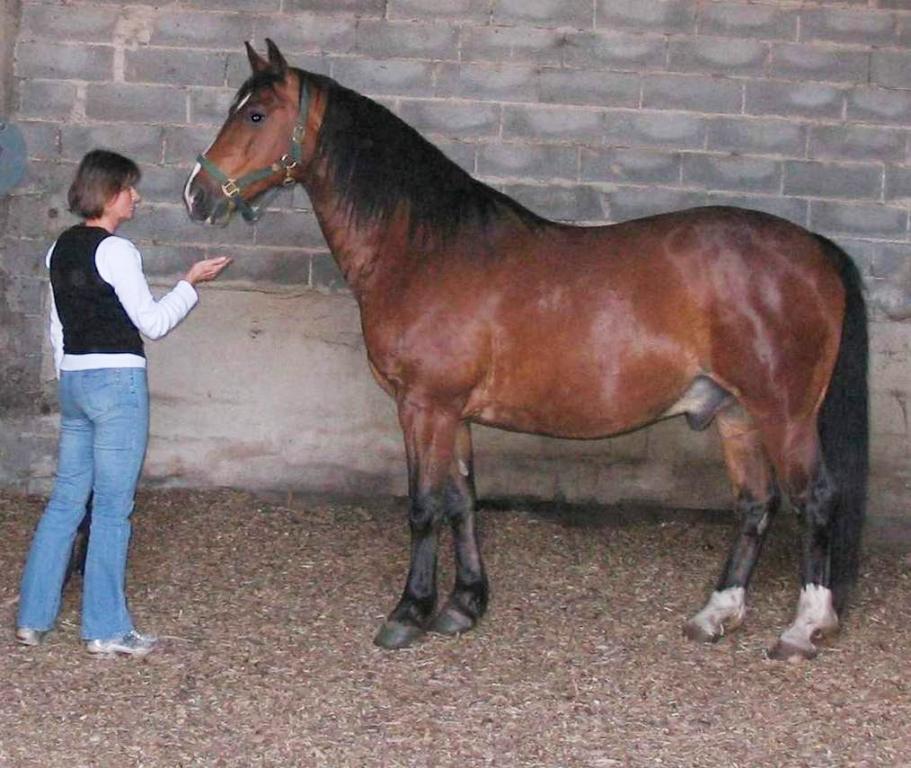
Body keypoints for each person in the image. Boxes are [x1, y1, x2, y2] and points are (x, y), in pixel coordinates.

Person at [16, 149, 231, 657]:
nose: (135, 197)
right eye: (130, 188)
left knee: (66, 501)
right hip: (117, 385)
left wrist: (72, 373)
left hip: (75, 382)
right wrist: (189, 283)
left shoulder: (57, 250)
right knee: (113, 508)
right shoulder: (117, 251)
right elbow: (152, 323)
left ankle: (33, 617)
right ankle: (105, 629)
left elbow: (57, 330)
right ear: (110, 194)